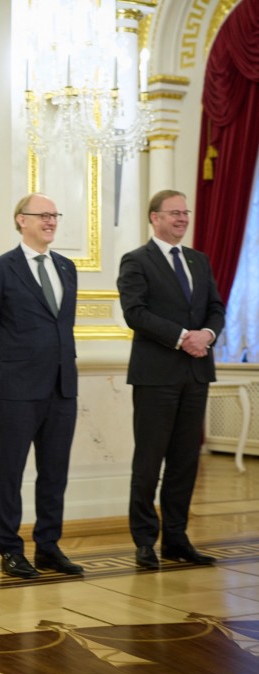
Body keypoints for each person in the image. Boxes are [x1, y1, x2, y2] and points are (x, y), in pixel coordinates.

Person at [0, 193, 83, 579]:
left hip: (61, 387)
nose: (51, 221)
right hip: (16, 388)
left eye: (55, 215)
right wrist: (6, 369)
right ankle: (10, 550)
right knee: (10, 472)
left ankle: (48, 546)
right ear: (21, 219)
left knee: (55, 473)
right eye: (43, 215)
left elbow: (62, 325)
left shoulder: (67, 267)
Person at [117, 190, 225, 569]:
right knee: (148, 463)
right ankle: (145, 542)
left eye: (185, 212)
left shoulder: (199, 260)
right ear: (155, 217)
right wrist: (183, 338)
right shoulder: (136, 260)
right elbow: (135, 313)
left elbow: (215, 308)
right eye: (174, 212)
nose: (182, 218)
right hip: (155, 376)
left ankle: (176, 539)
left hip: (195, 374)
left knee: (185, 462)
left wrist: (206, 335)